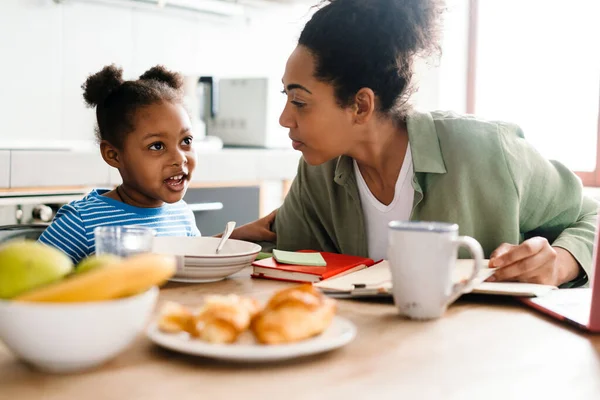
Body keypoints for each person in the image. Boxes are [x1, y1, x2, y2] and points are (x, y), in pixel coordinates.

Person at [234, 0, 598, 288]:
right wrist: (230, 243)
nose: (284, 118)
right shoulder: (318, 171)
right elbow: (284, 263)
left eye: (299, 101)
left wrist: (563, 262)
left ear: (361, 105)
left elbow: (591, 216)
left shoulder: (486, 150)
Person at [39, 65, 200, 263]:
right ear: (113, 154)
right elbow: (30, 275)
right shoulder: (82, 222)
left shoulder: (182, 215)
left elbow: (196, 262)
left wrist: (243, 234)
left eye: (186, 141)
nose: (179, 158)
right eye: (157, 146)